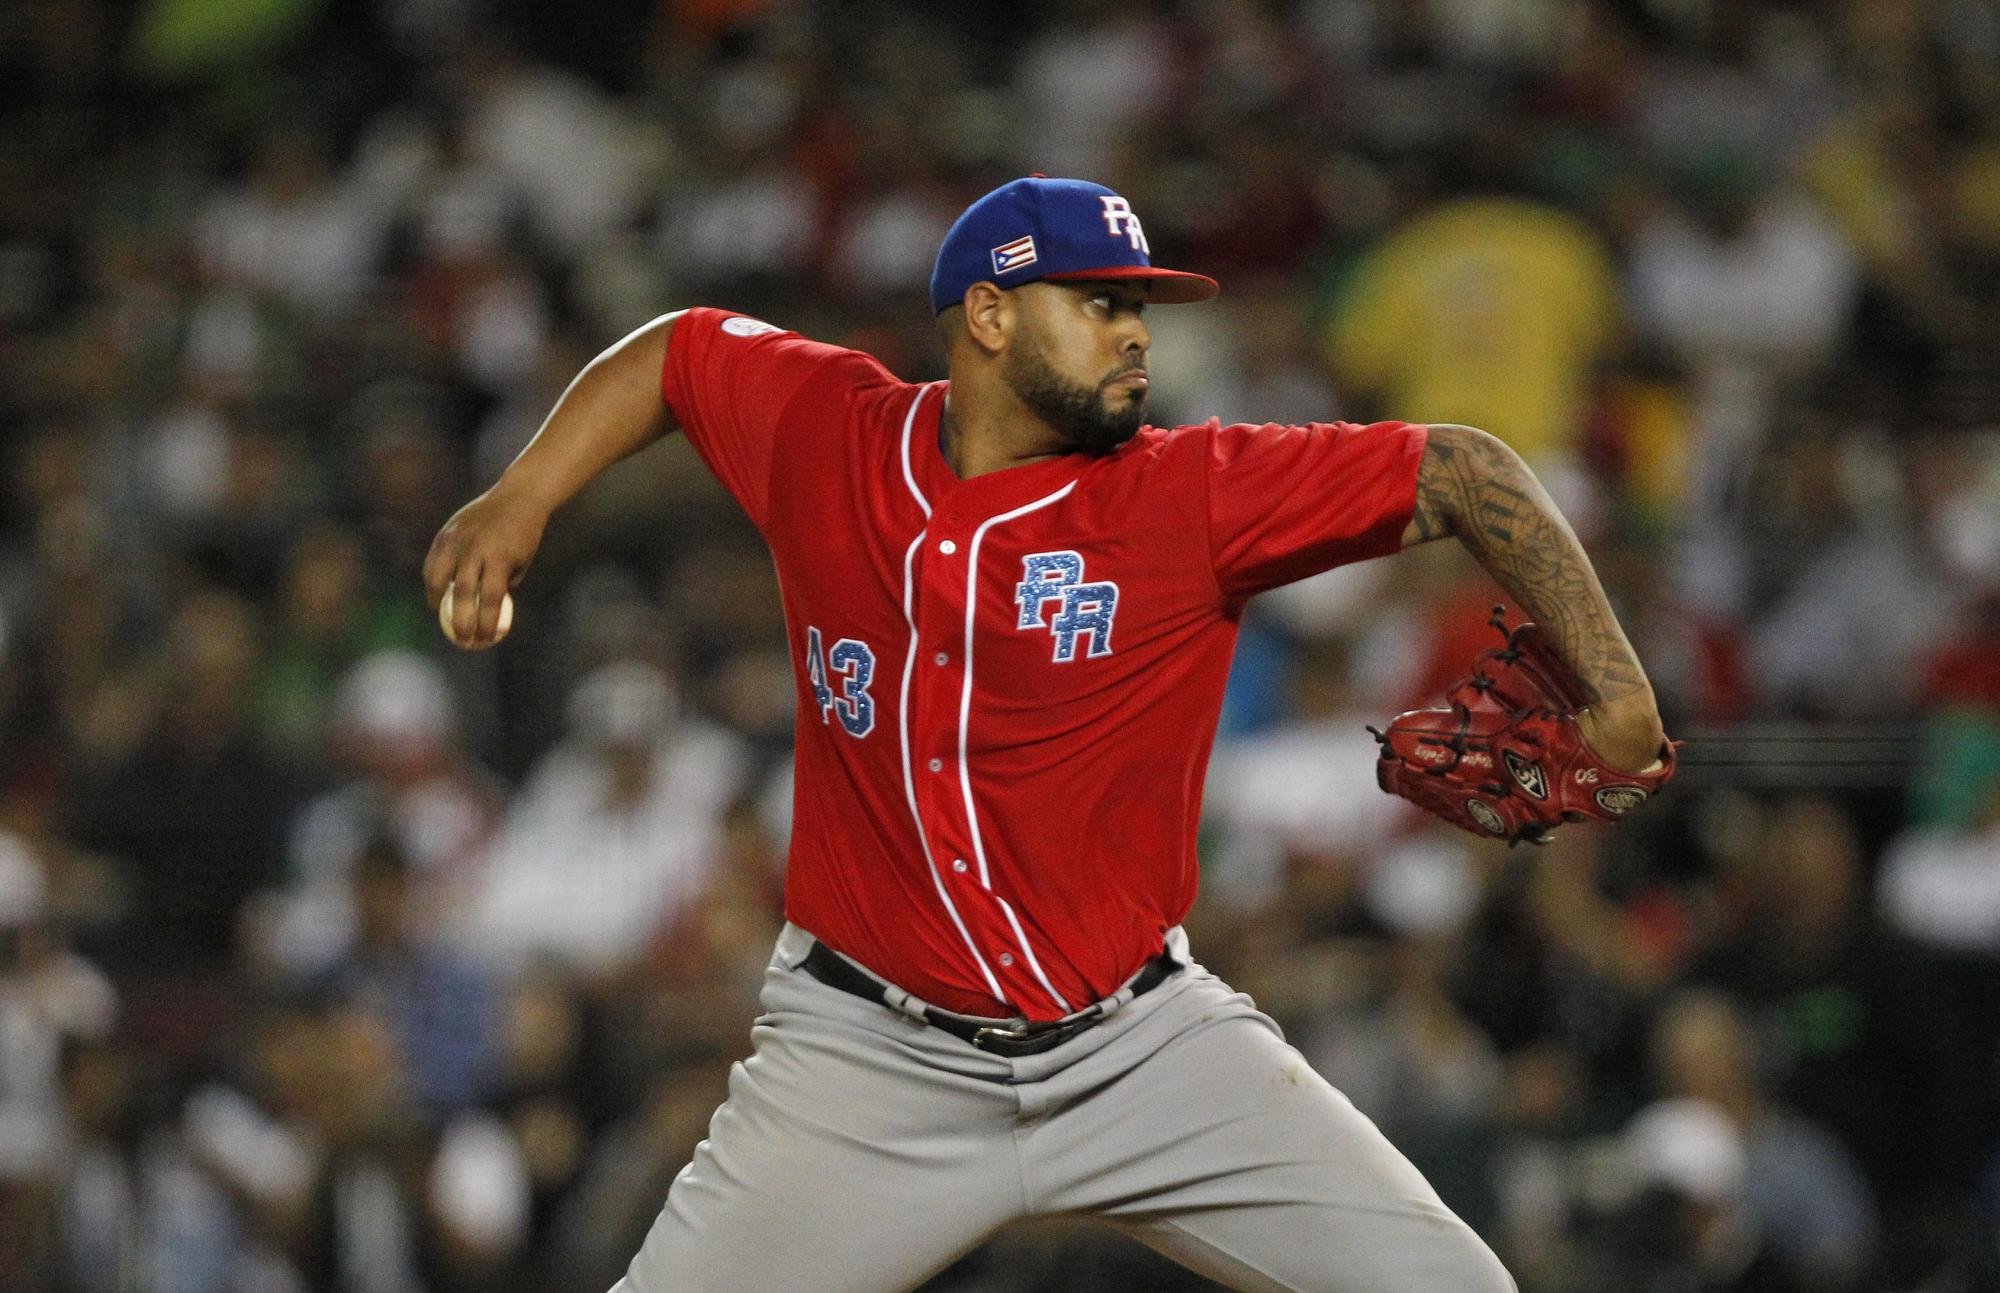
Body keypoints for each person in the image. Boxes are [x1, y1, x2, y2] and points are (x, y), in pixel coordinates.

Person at [425, 175, 1668, 1293]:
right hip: (864, 1064)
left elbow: (1462, 467)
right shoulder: (829, 433)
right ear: (989, 317)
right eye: (1096, 301)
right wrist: (520, 495)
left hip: (1140, 1051)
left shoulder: (1190, 491)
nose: (1134, 332)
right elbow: (679, 352)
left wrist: (1612, 694)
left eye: (1139, 305)